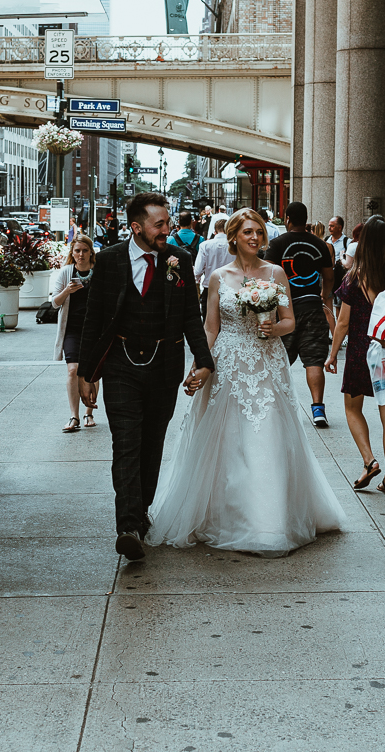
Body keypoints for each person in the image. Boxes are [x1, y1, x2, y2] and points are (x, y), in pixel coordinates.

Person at [146, 208, 346, 556]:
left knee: (266, 433)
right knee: (226, 438)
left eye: (259, 232)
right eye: (248, 232)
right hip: (227, 364)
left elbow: (290, 321)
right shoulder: (218, 278)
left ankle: (269, 521)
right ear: (234, 236)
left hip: (266, 364)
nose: (255, 237)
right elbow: (211, 327)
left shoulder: (276, 273)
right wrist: (200, 365)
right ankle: (225, 513)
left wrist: (273, 328)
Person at [77, 193, 216, 562]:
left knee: (152, 443)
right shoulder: (108, 260)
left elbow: (191, 316)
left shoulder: (179, 260)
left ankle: (141, 512)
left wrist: (204, 361)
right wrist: (86, 374)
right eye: (160, 225)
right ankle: (128, 526)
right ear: (136, 227)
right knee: (125, 442)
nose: (167, 230)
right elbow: (94, 318)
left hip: (164, 364)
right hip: (121, 364)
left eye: (168, 223)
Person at [325, 216, 385, 493]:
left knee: (352, 409)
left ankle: (368, 460)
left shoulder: (354, 278)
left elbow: (344, 323)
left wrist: (333, 354)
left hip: (361, 351)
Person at [264, 201, 336, 428]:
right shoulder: (320, 245)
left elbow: (266, 277)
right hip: (313, 308)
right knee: (314, 360)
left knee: (279, 360)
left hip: (286, 311)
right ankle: (318, 410)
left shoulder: (277, 243)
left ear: (287, 219)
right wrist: (323, 298)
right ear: (306, 220)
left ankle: (276, 407)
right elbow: (329, 277)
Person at [51, 236, 99, 432]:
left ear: (91, 253)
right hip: (72, 329)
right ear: (72, 253)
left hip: (94, 329)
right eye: (77, 251)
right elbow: (54, 303)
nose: (81, 255)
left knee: (92, 372)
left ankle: (89, 413)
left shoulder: (98, 273)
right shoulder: (66, 273)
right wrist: (67, 291)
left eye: (85, 251)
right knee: (73, 370)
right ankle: (74, 416)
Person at [193, 214, 234, 312]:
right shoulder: (234, 246)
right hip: (231, 289)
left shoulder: (205, 246)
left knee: (208, 322)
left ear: (214, 231)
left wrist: (197, 279)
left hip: (210, 288)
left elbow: (198, 271)